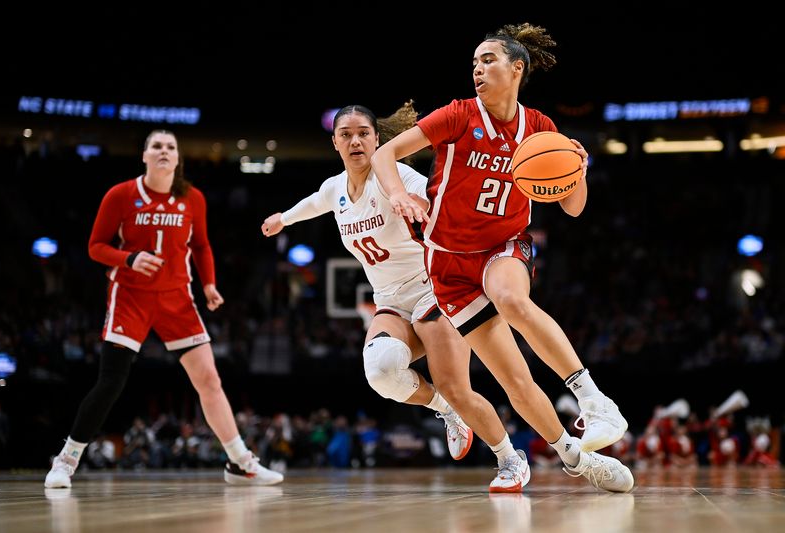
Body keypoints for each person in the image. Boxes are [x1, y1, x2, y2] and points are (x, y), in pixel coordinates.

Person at [263, 103, 628, 492]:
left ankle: (514, 459)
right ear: (334, 142)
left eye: (364, 133)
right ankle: (445, 410)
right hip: (390, 300)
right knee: (381, 371)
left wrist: (420, 201)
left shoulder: (399, 176)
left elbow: (445, 197)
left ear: (376, 138)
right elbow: (314, 204)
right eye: (346, 134)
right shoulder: (334, 189)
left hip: (434, 290)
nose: (356, 141)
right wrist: (283, 219)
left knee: (465, 384)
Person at [371, 23, 633, 491]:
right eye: (473, 62)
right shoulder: (457, 115)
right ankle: (576, 460)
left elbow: (573, 207)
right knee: (515, 382)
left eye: (488, 60)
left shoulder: (539, 129)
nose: (477, 68)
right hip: (448, 263)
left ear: (517, 68)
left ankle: (594, 401)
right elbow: (385, 154)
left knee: (511, 298)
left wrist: (579, 167)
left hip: (503, 245)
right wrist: (399, 196)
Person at [45, 130, 282, 488]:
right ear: (144, 155)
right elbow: (95, 246)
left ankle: (239, 462)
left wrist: (209, 285)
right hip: (130, 297)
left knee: (209, 380)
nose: (164, 151)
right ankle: (65, 460)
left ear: (177, 158)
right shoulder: (121, 194)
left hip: (177, 299)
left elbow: (201, 246)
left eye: (170, 147)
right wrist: (129, 258)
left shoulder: (193, 198)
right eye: (156, 146)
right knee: (111, 382)